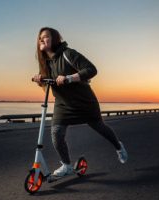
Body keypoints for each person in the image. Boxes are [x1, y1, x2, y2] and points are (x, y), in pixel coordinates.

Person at [32, 27, 128, 177]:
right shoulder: (45, 62)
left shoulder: (68, 54)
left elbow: (91, 70)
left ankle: (118, 146)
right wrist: (40, 79)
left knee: (100, 127)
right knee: (56, 133)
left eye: (45, 37)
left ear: (55, 39)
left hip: (84, 102)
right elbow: (48, 83)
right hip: (63, 103)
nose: (41, 40)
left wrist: (69, 78)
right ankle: (67, 166)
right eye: (40, 38)